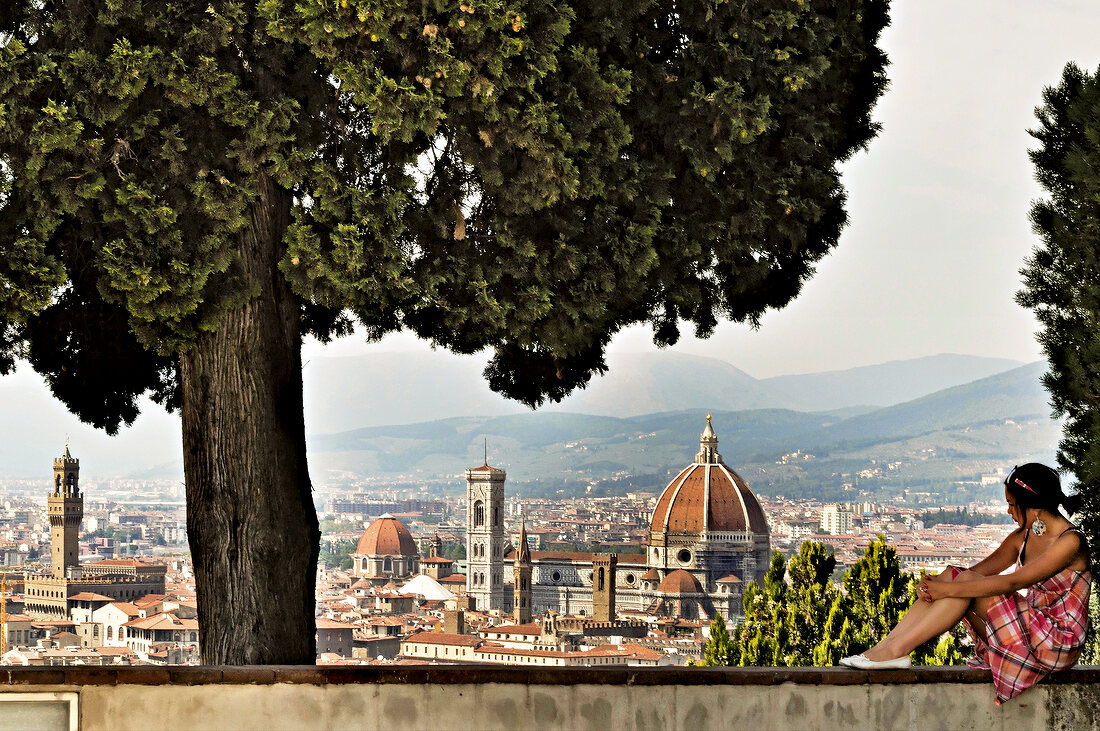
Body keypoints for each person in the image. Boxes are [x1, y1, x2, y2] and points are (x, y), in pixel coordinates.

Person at [840, 463, 1091, 705]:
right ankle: (885, 649)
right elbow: (969, 574)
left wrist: (949, 589)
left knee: (961, 582)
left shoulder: (1071, 542)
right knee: (953, 574)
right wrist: (936, 585)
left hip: (1057, 642)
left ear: (1033, 507)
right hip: (1029, 633)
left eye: (1012, 505)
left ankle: (897, 651)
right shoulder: (1021, 538)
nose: (1008, 512)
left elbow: (1014, 581)